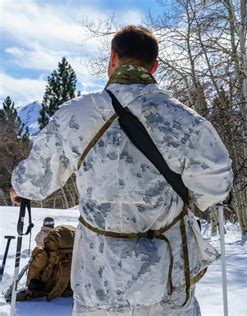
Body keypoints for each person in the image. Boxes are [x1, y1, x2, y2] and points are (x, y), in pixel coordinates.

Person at [10, 25, 233, 315]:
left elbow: (38, 178)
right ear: (154, 66)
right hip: (167, 274)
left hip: (98, 278)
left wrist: (20, 189)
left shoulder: (74, 115)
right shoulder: (185, 121)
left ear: (112, 59)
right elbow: (216, 187)